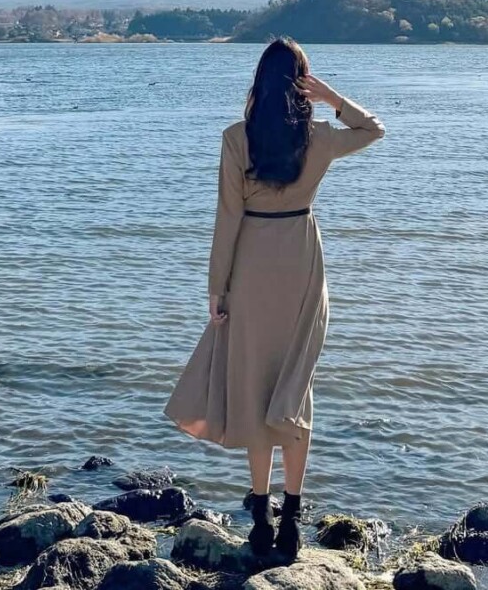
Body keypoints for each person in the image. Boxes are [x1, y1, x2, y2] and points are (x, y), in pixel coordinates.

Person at [164, 37, 385, 560]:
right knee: (293, 390)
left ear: (257, 84)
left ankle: (261, 519)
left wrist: (216, 288)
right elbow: (373, 129)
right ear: (300, 84)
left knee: (257, 389)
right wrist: (331, 95)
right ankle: (291, 520)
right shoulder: (320, 137)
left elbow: (226, 220)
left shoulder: (236, 139)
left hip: (252, 264)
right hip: (302, 262)